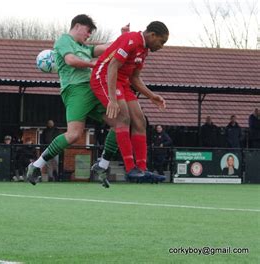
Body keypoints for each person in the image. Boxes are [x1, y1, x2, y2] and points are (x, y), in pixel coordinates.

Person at [27, 14, 129, 188]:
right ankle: (36, 165)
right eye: (88, 31)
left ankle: (101, 165)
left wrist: (124, 37)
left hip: (92, 89)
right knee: (74, 134)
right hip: (76, 90)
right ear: (77, 26)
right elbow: (71, 60)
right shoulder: (64, 40)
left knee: (122, 123)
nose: (88, 35)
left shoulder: (84, 47)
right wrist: (94, 65)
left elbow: (107, 48)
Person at [90, 21, 169, 180]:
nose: (161, 46)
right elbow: (112, 66)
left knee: (140, 121)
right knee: (123, 117)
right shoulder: (131, 40)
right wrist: (112, 99)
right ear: (152, 35)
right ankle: (130, 168)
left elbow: (135, 78)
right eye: (161, 42)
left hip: (123, 82)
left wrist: (151, 96)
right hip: (104, 77)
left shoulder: (144, 50)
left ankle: (141, 168)